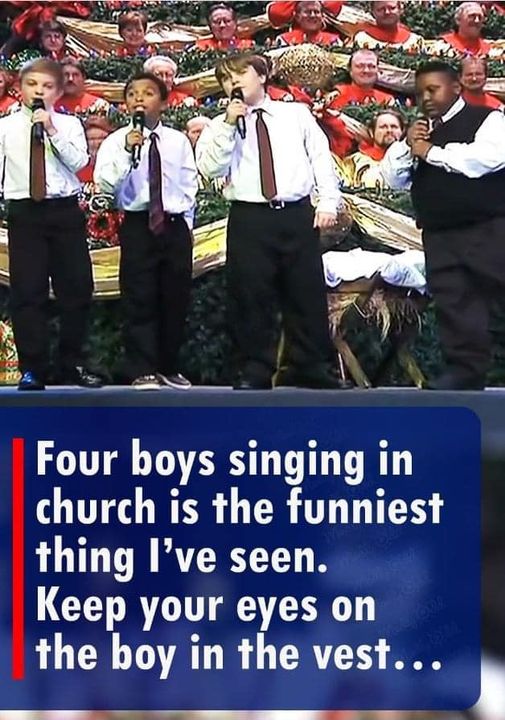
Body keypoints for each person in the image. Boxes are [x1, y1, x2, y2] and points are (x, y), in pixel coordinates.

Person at [196, 54, 346, 391]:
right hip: (250, 217)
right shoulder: (218, 125)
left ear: (262, 75)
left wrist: (328, 201)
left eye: (239, 75)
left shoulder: (295, 114)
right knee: (250, 295)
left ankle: (310, 367)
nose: (233, 83)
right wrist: (227, 126)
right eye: (225, 79)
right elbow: (210, 169)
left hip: (296, 214)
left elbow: (320, 157)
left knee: (305, 293)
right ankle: (254, 369)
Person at [381, 60, 505, 390]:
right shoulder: (421, 131)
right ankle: (465, 372)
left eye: (433, 89)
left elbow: (487, 159)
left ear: (456, 88)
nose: (426, 98)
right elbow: (392, 180)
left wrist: (431, 152)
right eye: (420, 92)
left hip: (488, 230)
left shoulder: (488, 119)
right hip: (439, 234)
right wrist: (409, 148)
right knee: (455, 304)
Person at [0, 58, 102, 391]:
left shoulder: (68, 124)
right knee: (27, 291)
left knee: (76, 288)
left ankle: (71, 363)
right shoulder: (5, 127)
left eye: (46, 86)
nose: (39, 92)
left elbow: (79, 162)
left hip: (64, 212)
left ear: (58, 92)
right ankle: (33, 368)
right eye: (33, 85)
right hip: (24, 213)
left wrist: (52, 130)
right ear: (20, 88)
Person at [94, 72, 198, 391]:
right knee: (140, 296)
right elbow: (106, 185)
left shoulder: (177, 141)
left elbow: (188, 183)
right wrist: (127, 151)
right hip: (139, 224)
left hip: (173, 224)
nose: (139, 99)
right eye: (132, 94)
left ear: (164, 102)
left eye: (148, 93)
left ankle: (168, 365)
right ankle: (142, 367)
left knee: (174, 295)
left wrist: (187, 226)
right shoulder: (115, 141)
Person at [337, 110, 404, 188]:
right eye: (383, 127)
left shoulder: (412, 162)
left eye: (394, 127)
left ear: (402, 132)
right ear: (372, 132)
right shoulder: (354, 161)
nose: (389, 130)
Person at [329, 50, 395, 108]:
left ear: (378, 70)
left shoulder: (387, 100)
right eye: (360, 66)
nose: (366, 70)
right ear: (350, 70)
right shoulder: (337, 95)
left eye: (371, 66)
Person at [352, 1, 423, 50]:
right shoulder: (362, 39)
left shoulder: (415, 41)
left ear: (400, 9)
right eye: (381, 9)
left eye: (392, 8)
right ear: (373, 12)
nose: (387, 12)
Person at [271, 0, 342, 46]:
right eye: (308, 12)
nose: (313, 15)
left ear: (322, 16)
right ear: (297, 17)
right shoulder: (284, 40)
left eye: (316, 12)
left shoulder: (334, 41)